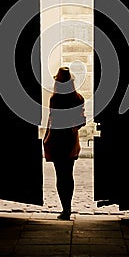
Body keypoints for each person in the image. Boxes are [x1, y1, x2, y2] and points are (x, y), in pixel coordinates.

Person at [43, 66, 86, 220]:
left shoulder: (55, 99)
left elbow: (52, 121)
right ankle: (68, 208)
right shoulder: (78, 98)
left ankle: (65, 209)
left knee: (60, 175)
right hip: (71, 139)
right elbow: (82, 121)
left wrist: (47, 139)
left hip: (57, 140)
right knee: (69, 174)